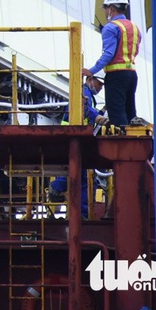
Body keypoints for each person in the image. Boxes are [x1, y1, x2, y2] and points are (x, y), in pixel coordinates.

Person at [48, 75, 108, 217]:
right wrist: (98, 117)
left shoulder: (87, 94)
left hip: (77, 137)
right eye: (99, 84)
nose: (100, 88)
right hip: (73, 136)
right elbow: (84, 106)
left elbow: (87, 112)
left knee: (82, 174)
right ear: (90, 80)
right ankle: (57, 188)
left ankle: (83, 213)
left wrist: (103, 110)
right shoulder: (83, 91)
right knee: (78, 172)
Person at [83, 0, 142, 127]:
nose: (105, 12)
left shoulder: (111, 27)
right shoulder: (134, 27)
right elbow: (135, 50)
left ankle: (122, 142)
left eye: (105, 9)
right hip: (132, 74)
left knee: (116, 112)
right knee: (130, 111)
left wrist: (91, 71)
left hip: (116, 75)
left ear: (111, 9)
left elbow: (108, 54)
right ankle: (131, 137)